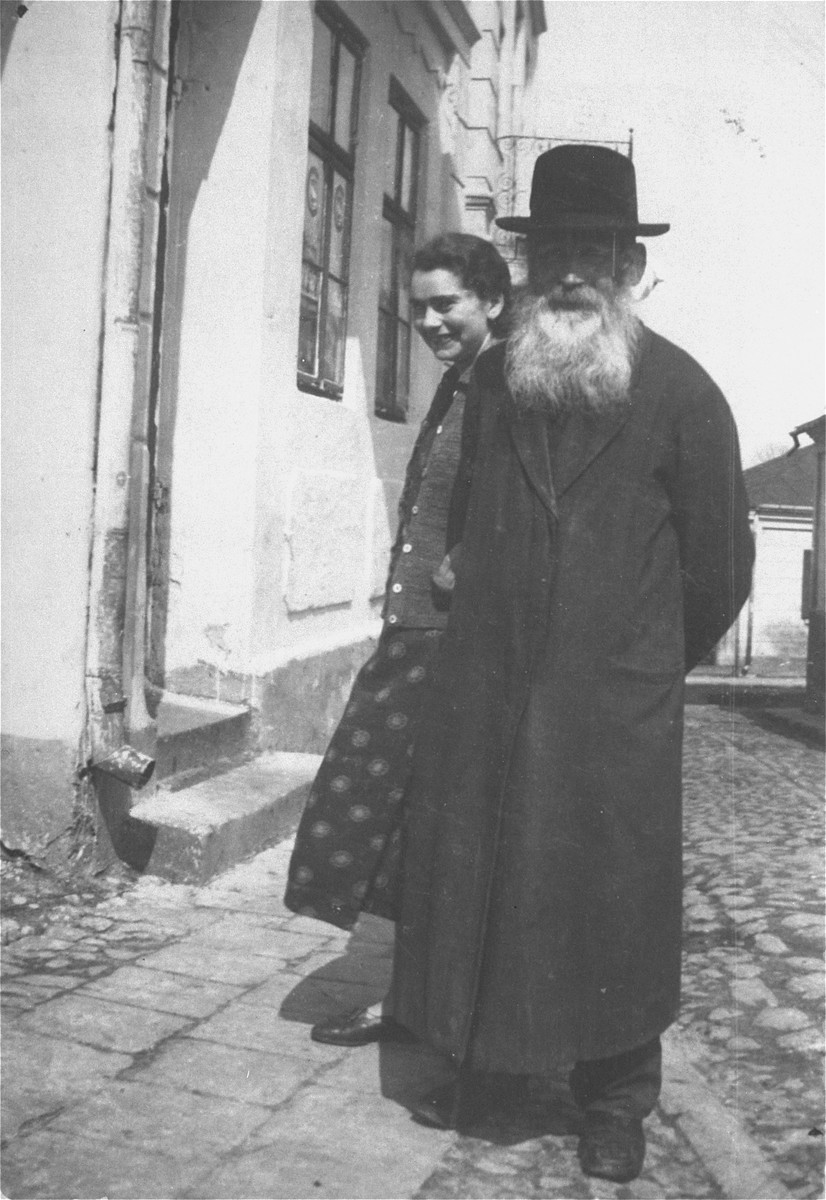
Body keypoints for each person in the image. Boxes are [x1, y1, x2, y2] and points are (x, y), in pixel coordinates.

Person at [389, 145, 755, 1184]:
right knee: (490, 878)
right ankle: (495, 1066)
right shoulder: (498, 381)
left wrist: (637, 665)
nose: (570, 272)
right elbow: (459, 524)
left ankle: (615, 1103)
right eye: (553, 249)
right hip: (490, 685)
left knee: (612, 900)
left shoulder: (684, 394)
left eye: (593, 251)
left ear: (628, 269)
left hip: (614, 704)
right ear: (528, 257)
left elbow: (721, 563)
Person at [283, 233, 511, 1045]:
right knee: (385, 809)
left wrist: (466, 563)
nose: (429, 320)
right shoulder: (464, 381)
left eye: (446, 303)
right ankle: (405, 984)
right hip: (416, 629)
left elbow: (524, 504)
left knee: (422, 815)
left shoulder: (508, 386)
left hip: (455, 638)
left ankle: (422, 996)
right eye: (419, 306)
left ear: (493, 299)